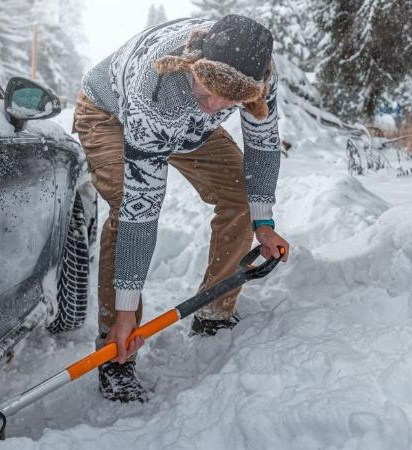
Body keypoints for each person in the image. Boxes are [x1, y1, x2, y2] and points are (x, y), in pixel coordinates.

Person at [72, 14, 290, 403]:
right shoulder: (155, 83)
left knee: (239, 194)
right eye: (208, 90)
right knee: (128, 207)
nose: (216, 106)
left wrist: (264, 221)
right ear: (191, 64)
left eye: (230, 99)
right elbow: (143, 209)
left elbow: (262, 143)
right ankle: (116, 347)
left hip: (187, 127)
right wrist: (125, 308)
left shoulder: (259, 78)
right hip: (109, 113)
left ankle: (214, 311)